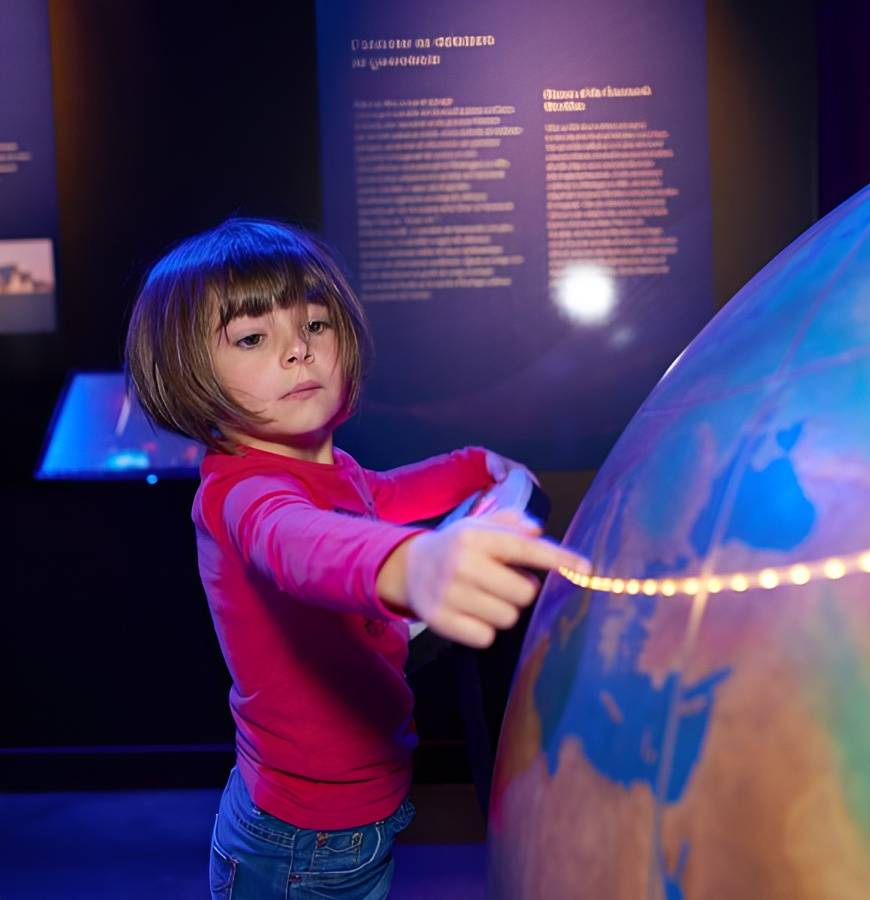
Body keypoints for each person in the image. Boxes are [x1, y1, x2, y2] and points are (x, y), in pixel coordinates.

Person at [124, 218, 590, 899]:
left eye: (315, 325)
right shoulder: (243, 495)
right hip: (303, 841)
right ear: (186, 373)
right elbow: (302, 545)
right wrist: (411, 564)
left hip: (349, 810)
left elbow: (382, 495)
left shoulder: (328, 468)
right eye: (252, 338)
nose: (298, 351)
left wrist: (473, 467)